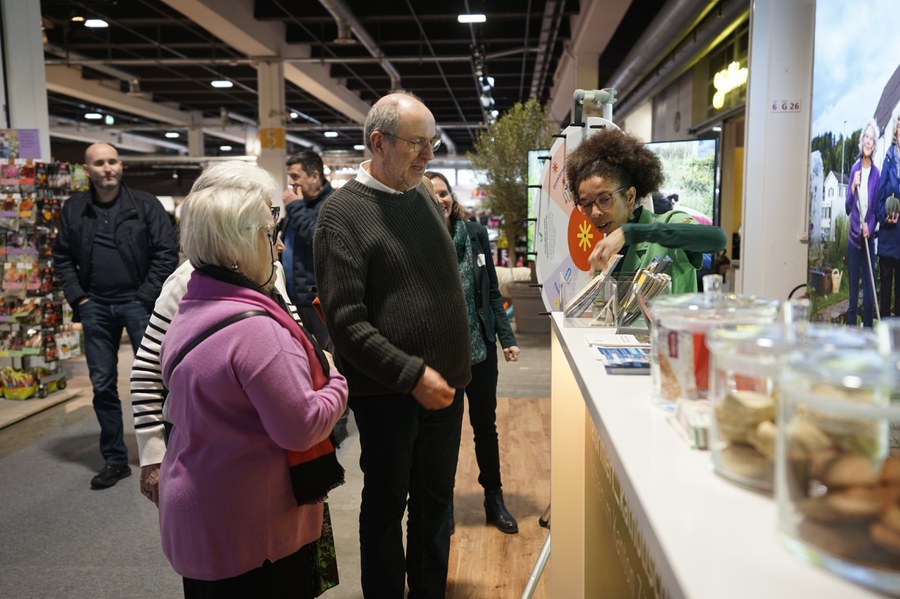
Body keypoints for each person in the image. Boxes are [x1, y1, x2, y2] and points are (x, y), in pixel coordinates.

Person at [157, 161, 348, 597]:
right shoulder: (255, 329)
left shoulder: (191, 308)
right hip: (249, 530)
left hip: (201, 514)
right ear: (236, 245)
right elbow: (302, 427)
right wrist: (336, 378)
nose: (278, 245)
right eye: (269, 233)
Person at [313, 91, 471, 599]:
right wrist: (411, 374)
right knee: (385, 509)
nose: (428, 155)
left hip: (445, 389)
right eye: (416, 143)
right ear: (378, 142)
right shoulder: (341, 215)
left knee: (435, 505)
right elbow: (346, 323)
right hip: (389, 393)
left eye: (432, 142)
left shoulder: (420, 194)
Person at [131, 163, 302, 506]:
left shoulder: (270, 270)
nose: (278, 243)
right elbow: (147, 370)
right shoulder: (187, 281)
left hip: (277, 442)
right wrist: (152, 453)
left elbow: (295, 332)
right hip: (216, 450)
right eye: (266, 224)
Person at [53, 142, 178, 489]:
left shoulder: (145, 204)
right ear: (87, 170)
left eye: (112, 161)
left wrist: (144, 297)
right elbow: (62, 257)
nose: (107, 168)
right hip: (94, 307)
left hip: (139, 305)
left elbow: (166, 252)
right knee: (103, 385)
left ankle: (169, 452)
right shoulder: (74, 209)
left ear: (121, 165)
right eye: (99, 163)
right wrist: (79, 299)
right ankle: (115, 459)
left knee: (158, 380)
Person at [425, 170, 520, 535]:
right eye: (432, 194)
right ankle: (443, 504)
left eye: (444, 192)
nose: (440, 199)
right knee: (443, 436)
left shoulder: (476, 234)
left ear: (452, 197)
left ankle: (494, 498)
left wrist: (507, 338)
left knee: (485, 426)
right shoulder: (420, 238)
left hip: (481, 349)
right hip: (442, 354)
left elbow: (491, 291)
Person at [565, 128, 726, 294]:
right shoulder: (605, 254)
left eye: (604, 199)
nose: (595, 213)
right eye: (586, 204)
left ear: (629, 196)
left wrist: (631, 233)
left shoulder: (668, 223)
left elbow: (717, 239)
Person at [282, 150, 334, 347]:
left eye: (296, 177)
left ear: (314, 176)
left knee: (326, 353)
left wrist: (295, 207)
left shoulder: (332, 204)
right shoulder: (298, 204)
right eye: (290, 177)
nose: (291, 183)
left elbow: (318, 239)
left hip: (317, 300)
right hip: (294, 299)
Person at [845, 118, 880, 327]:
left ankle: (867, 338)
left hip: (868, 243)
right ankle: (851, 337)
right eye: (866, 137)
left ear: (874, 145)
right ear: (862, 141)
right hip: (853, 244)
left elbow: (875, 210)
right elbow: (848, 207)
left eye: (871, 139)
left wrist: (870, 226)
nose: (868, 141)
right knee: (852, 300)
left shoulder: (876, 174)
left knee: (868, 300)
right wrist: (852, 187)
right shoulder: (854, 169)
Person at [875, 114, 900, 319]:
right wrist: (885, 217)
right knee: (885, 298)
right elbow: (878, 201)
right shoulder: (889, 160)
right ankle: (883, 335)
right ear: (896, 133)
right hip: (887, 240)